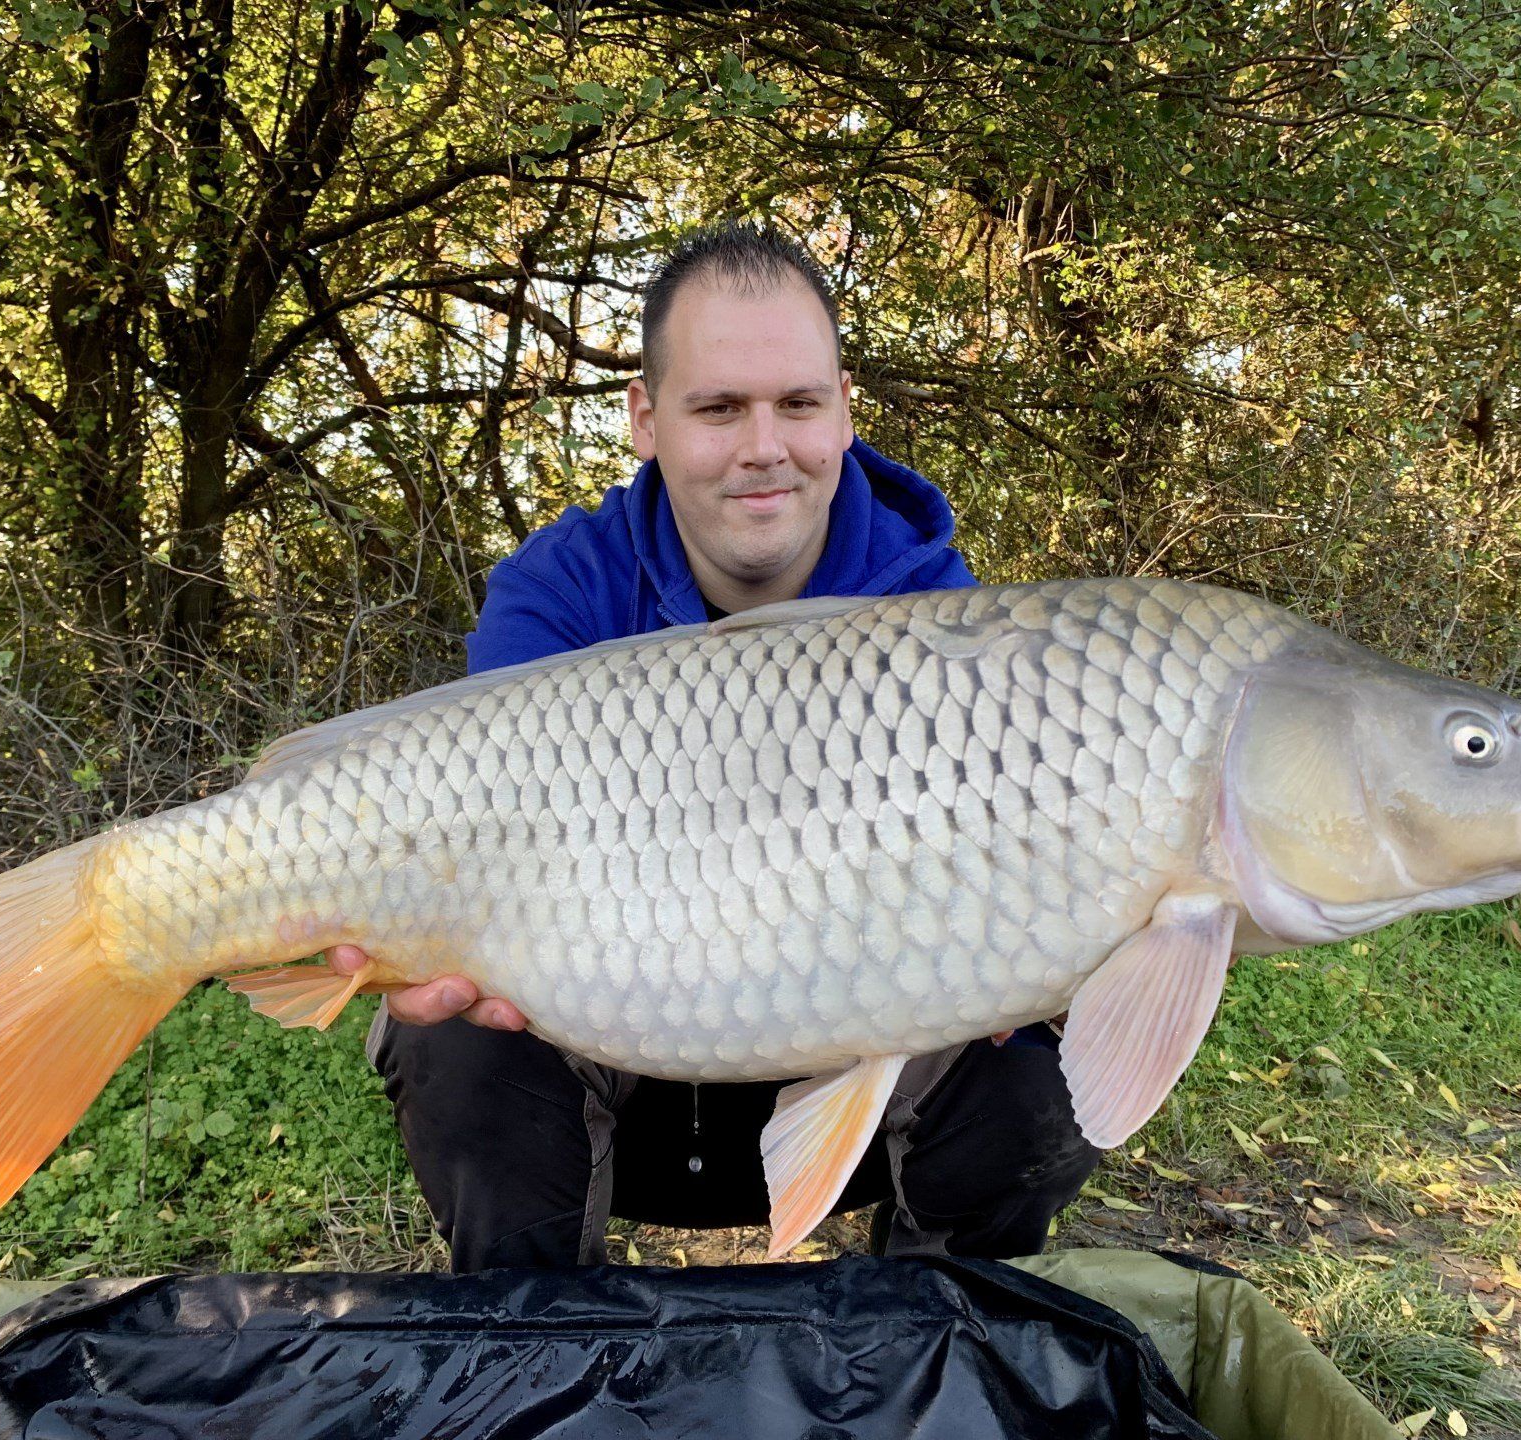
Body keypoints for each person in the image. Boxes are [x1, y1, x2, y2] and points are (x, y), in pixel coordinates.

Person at [331, 222, 1100, 1271]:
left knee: (1044, 1054)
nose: (764, 447)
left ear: (842, 409)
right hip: (623, 1069)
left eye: (798, 403)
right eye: (719, 408)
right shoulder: (558, 595)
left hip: (851, 1078)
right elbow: (488, 855)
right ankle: (540, 1342)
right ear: (646, 418)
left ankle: (939, 1331)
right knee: (457, 1033)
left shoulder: (943, 622)